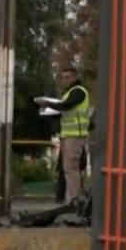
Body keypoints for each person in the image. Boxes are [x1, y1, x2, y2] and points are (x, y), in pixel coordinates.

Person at [36, 66, 90, 204]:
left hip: (75, 135)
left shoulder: (78, 91)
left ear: (75, 77)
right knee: (68, 169)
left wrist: (47, 103)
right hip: (68, 135)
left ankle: (73, 200)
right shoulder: (70, 92)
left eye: (68, 77)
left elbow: (66, 106)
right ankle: (71, 199)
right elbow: (65, 110)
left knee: (71, 169)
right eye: (63, 77)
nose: (65, 80)